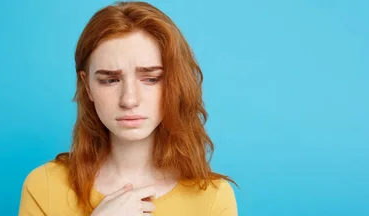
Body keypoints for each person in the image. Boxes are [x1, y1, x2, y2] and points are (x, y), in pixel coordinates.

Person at [18, 1, 238, 215]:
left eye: (151, 79)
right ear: (87, 86)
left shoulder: (212, 197)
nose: (129, 100)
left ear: (174, 84)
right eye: (110, 80)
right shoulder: (44, 186)